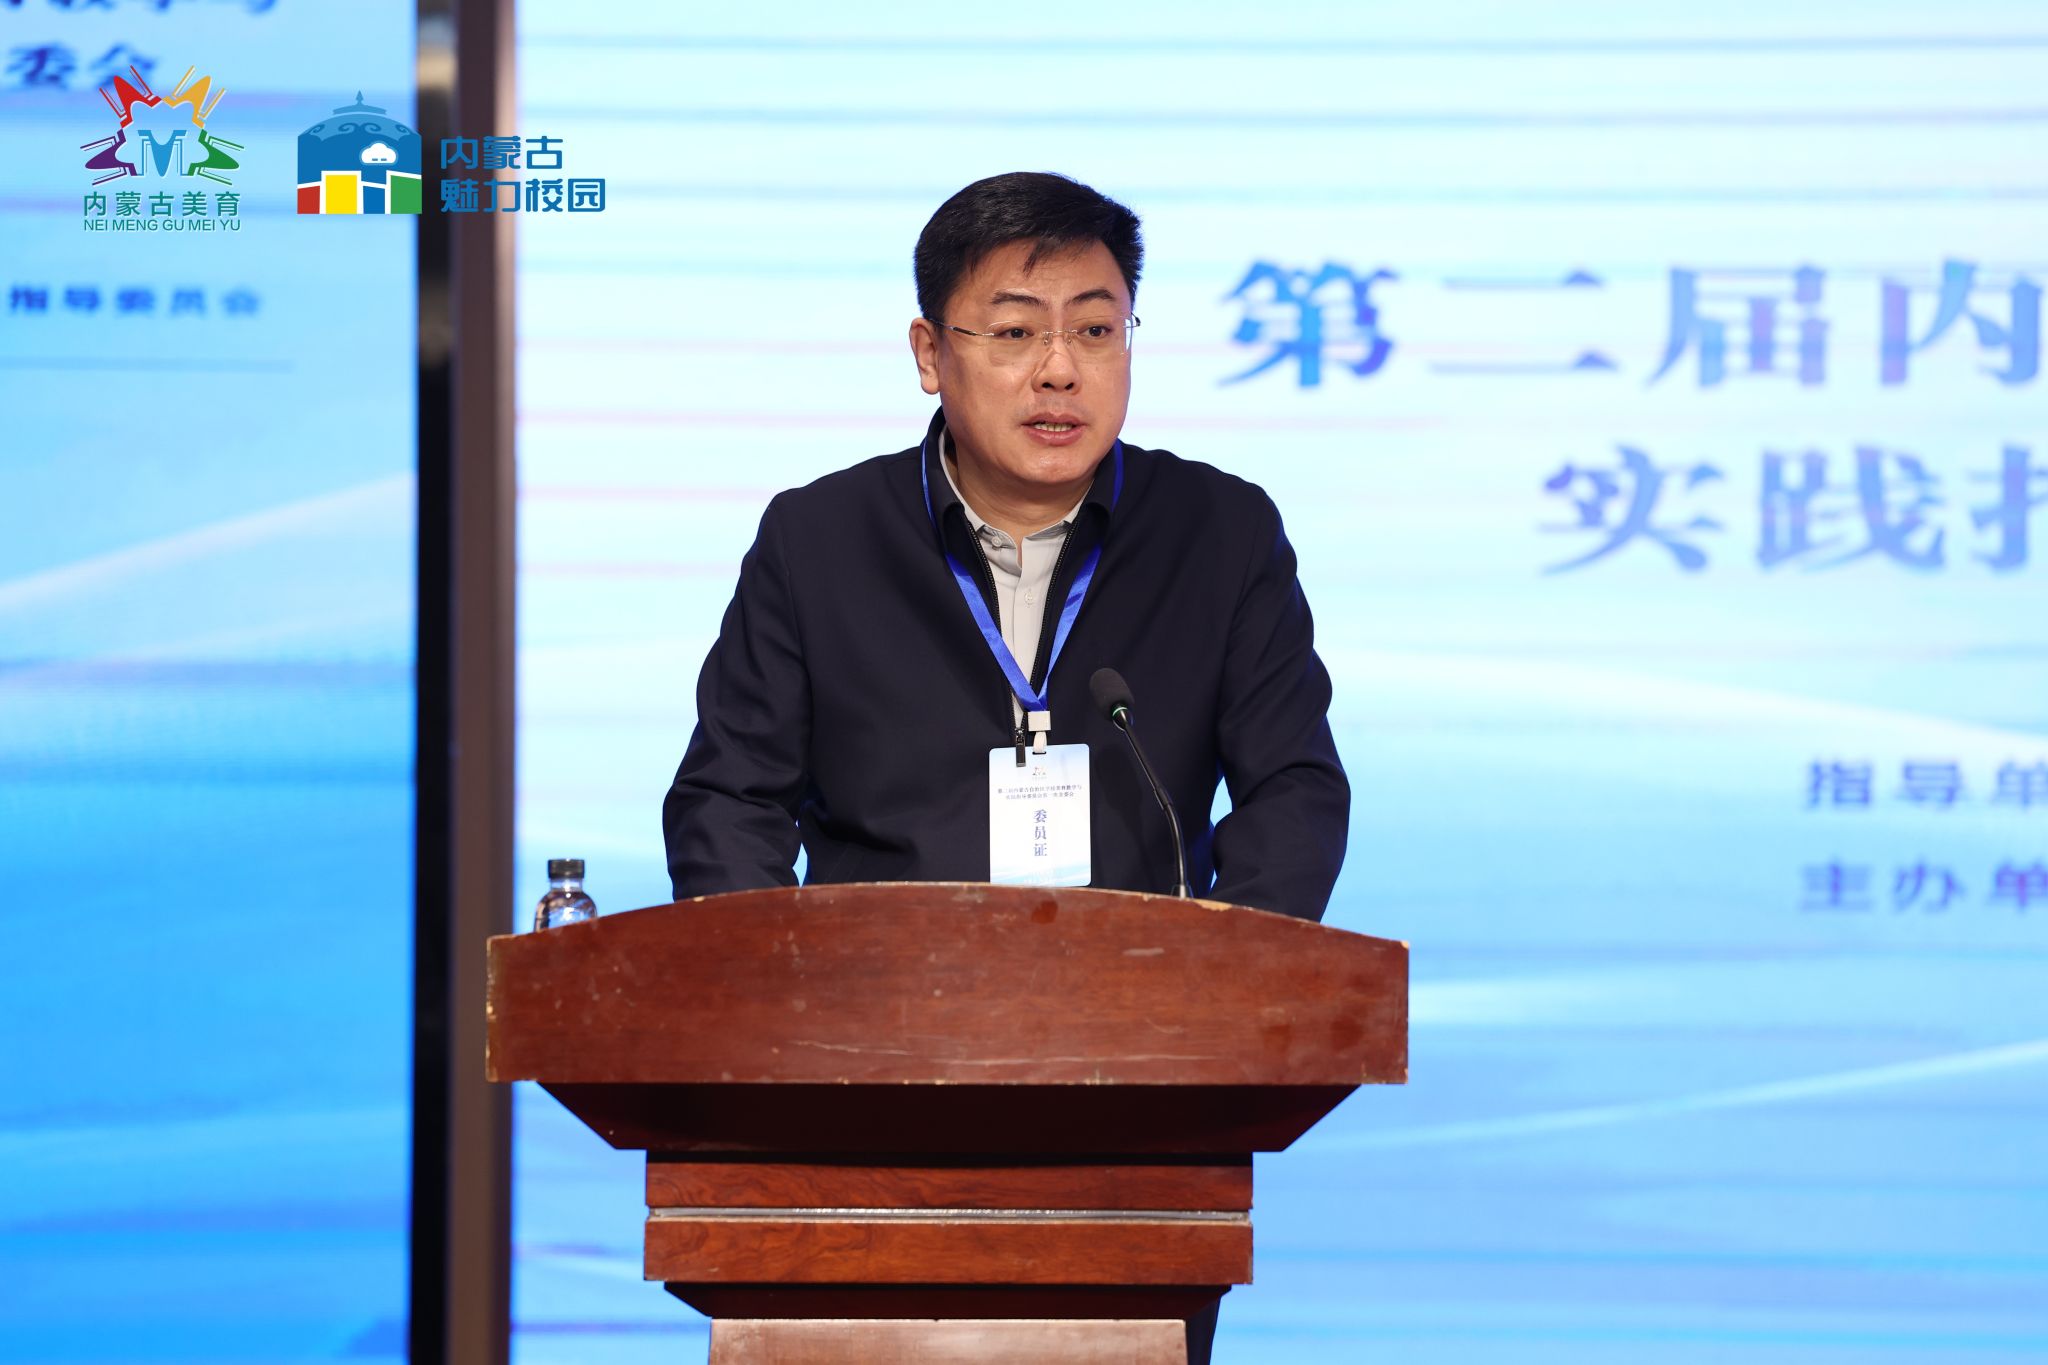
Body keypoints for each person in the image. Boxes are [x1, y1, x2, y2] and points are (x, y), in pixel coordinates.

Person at [661, 171, 1350, 1362]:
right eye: (1016, 332)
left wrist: (1215, 996)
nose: (1060, 371)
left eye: (1096, 330)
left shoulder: (1220, 533)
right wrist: (779, 1023)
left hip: (1133, 1118)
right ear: (930, 353)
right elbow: (730, 794)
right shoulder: (818, 540)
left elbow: (1293, 787)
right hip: (855, 1103)